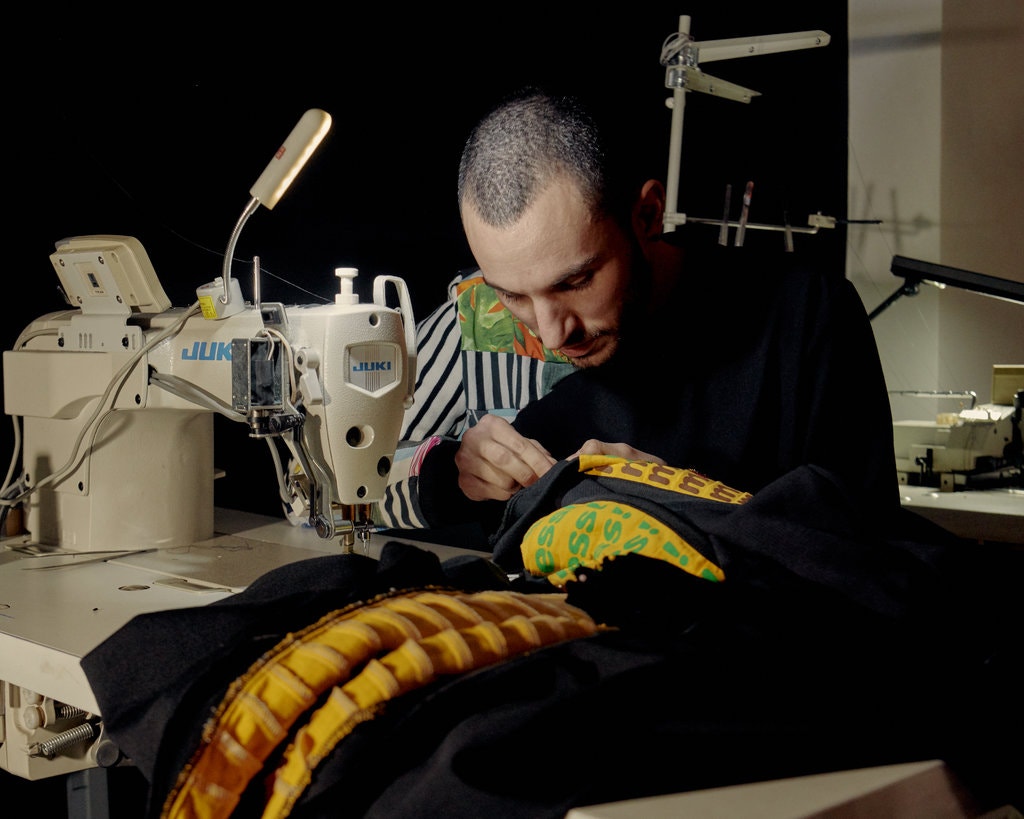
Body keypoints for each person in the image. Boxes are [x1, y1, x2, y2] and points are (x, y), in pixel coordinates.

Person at [379, 87, 898, 542]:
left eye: (576, 282)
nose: (553, 334)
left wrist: (674, 498)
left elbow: (873, 547)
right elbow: (353, 486)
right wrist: (455, 473)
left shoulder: (807, 314)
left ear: (647, 215)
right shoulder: (479, 319)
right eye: (512, 295)